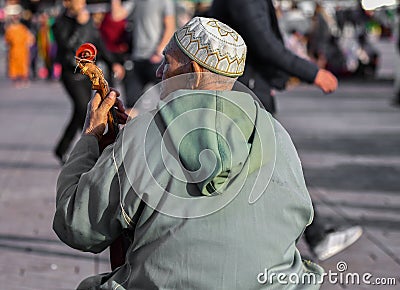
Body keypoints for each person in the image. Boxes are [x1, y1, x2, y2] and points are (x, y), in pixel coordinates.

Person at [54, 17, 325, 289]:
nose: (159, 72)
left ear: (194, 73)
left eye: (167, 62)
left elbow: (77, 227)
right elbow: (300, 217)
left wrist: (91, 137)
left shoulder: (143, 134)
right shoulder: (276, 135)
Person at [210, 0, 362, 262]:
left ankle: (311, 235)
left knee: (265, 166)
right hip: (244, 89)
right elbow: (263, 43)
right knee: (270, 165)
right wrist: (312, 73)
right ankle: (312, 236)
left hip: (246, 85)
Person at [52, 0, 124, 164]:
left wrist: (113, 62)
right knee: (83, 108)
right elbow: (69, 45)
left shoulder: (88, 20)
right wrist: (80, 24)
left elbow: (97, 44)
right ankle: (82, 149)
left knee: (81, 111)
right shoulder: (60, 23)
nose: (81, 3)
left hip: (87, 73)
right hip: (71, 73)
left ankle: (62, 149)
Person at [111, 0, 175, 114]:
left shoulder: (165, 1)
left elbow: (170, 27)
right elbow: (116, 15)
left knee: (169, 102)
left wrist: (159, 51)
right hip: (137, 59)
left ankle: (174, 130)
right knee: (131, 107)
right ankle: (130, 132)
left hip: (156, 61)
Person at [4, 4, 35, 88]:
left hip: (23, 50)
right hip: (13, 50)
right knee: (14, 65)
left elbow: (29, 38)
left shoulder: (23, 28)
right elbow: (7, 40)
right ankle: (16, 80)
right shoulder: (9, 29)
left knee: (23, 65)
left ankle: (24, 79)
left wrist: (29, 42)